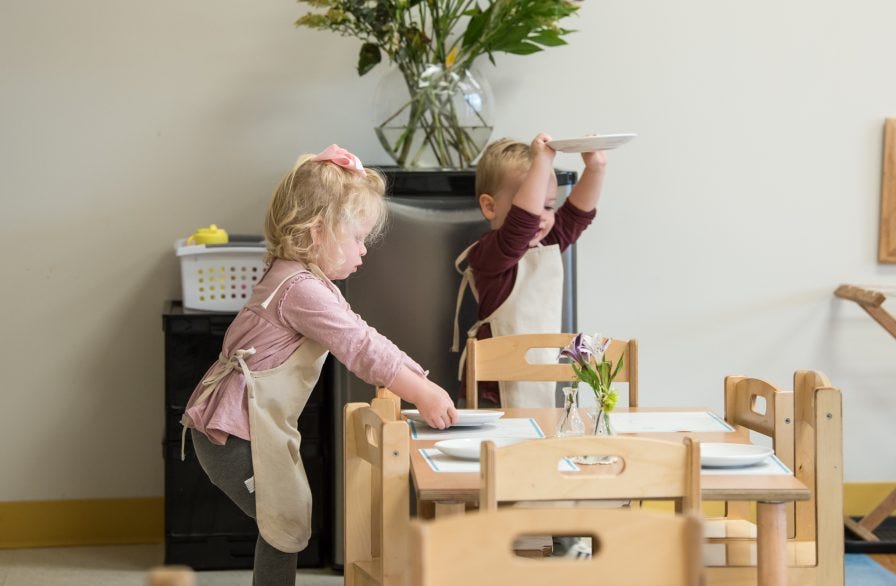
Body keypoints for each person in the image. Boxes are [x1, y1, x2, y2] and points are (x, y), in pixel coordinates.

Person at [180, 145, 457, 586]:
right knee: (284, 523)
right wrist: (421, 392)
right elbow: (360, 347)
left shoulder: (306, 279)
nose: (364, 250)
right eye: (357, 237)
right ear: (316, 233)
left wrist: (420, 379)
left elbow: (362, 332)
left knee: (285, 523)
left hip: (251, 429)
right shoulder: (300, 289)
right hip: (230, 436)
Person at [453, 133, 607, 408]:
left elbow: (576, 214)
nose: (542, 217)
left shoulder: (543, 243)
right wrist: (542, 164)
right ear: (490, 206)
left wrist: (595, 169)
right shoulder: (490, 253)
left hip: (538, 378)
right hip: (491, 390)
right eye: (533, 204)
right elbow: (519, 228)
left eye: (548, 205)